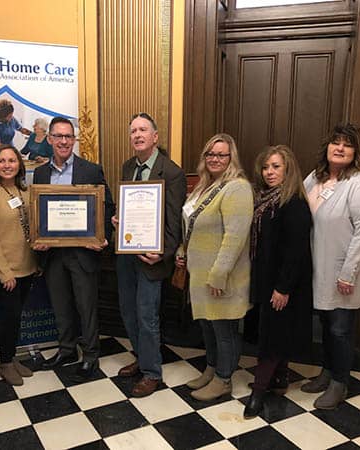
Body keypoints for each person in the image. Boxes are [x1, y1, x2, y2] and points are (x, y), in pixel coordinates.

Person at [300, 123, 360, 409]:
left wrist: (348, 273)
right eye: (336, 142)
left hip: (345, 273)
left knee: (340, 329)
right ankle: (326, 372)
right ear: (327, 148)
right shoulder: (313, 178)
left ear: (356, 151)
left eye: (347, 144)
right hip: (318, 269)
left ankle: (339, 382)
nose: (340, 148)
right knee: (325, 324)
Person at [33, 117, 115, 380]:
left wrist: (103, 237)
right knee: (60, 304)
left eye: (69, 136)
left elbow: (108, 205)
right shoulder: (41, 173)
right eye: (58, 136)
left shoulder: (91, 170)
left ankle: (91, 354)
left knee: (86, 305)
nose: (64, 141)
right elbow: (38, 212)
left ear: (74, 140)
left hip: (83, 253)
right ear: (50, 139)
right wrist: (38, 238)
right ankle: (67, 349)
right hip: (53, 253)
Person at [175, 133, 253, 401]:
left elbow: (235, 237)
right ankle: (211, 369)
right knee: (208, 327)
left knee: (224, 330)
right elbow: (192, 225)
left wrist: (219, 275)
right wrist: (182, 251)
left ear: (231, 158)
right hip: (200, 274)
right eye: (210, 154)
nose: (215, 159)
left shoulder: (237, 188)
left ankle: (224, 379)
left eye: (221, 154)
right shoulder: (205, 186)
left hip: (222, 276)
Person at [115, 112, 186, 397]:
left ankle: (152, 373)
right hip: (127, 255)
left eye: (143, 130)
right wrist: (118, 222)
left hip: (151, 260)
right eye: (133, 130)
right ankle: (141, 357)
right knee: (128, 312)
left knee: (147, 316)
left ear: (155, 137)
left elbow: (175, 223)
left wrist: (163, 254)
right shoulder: (127, 167)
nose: (137, 135)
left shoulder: (172, 172)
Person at [243, 145, 313, 418]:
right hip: (267, 278)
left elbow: (296, 251)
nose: (269, 172)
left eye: (276, 167)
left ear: (289, 170)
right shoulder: (265, 199)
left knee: (271, 337)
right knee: (275, 331)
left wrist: (283, 288)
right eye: (266, 167)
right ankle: (280, 380)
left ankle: (258, 392)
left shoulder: (293, 203)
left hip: (285, 284)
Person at [0, 145, 38, 386]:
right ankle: (5, 363)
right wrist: (4, 272)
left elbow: (32, 229)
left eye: (12, 160)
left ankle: (11, 357)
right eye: (2, 161)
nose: (7, 165)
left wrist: (37, 262)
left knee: (15, 315)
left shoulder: (24, 190)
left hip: (26, 267)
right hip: (1, 270)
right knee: (9, 315)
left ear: (19, 165)